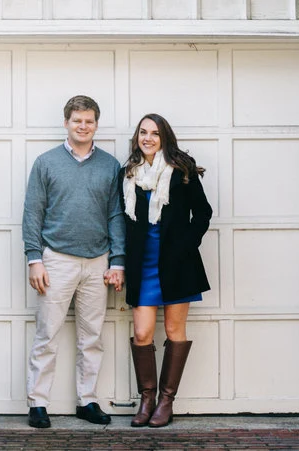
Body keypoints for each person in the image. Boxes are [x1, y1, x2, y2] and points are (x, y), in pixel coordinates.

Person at [22, 95, 126, 429]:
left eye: (89, 121)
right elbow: (32, 213)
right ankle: (38, 403)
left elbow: (116, 215)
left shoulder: (110, 166)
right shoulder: (46, 162)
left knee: (92, 337)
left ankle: (88, 400)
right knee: (47, 334)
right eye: (77, 120)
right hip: (57, 260)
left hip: (98, 262)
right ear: (66, 122)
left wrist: (118, 261)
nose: (83, 126)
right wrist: (34, 259)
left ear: (96, 124)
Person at [122, 113, 212, 428]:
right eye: (143, 132)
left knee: (175, 332)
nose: (148, 138)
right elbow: (122, 220)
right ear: (137, 137)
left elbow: (203, 213)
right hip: (142, 265)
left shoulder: (181, 171)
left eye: (155, 133)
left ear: (164, 138)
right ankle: (146, 399)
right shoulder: (128, 174)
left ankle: (165, 402)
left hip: (177, 265)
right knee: (143, 333)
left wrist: (185, 247)